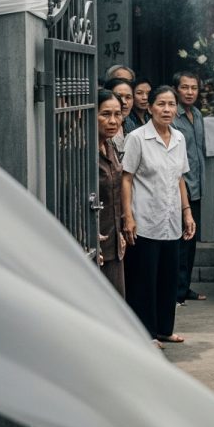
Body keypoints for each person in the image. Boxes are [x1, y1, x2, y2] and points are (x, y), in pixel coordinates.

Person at [121, 85, 196, 347]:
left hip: (171, 218)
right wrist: (127, 216)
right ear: (150, 107)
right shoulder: (137, 138)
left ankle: (165, 329)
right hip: (145, 219)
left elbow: (179, 179)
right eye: (161, 104)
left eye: (171, 105)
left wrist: (187, 212)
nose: (167, 109)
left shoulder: (179, 139)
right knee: (144, 280)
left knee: (167, 277)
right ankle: (146, 333)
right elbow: (126, 178)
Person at [171, 71, 206, 305]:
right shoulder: (172, 117)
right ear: (176, 89)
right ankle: (175, 291)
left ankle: (184, 287)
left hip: (196, 185)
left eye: (194, 88)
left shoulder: (197, 114)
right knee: (180, 243)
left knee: (190, 241)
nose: (190, 92)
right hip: (180, 187)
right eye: (185, 87)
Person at [97, 90, 126, 297]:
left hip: (114, 242)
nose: (113, 121)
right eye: (106, 114)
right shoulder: (80, 148)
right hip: (93, 243)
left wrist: (121, 231)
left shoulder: (110, 145)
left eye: (118, 114)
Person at [104, 77, 134, 158]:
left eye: (128, 97)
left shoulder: (130, 125)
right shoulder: (102, 127)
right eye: (119, 97)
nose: (124, 102)